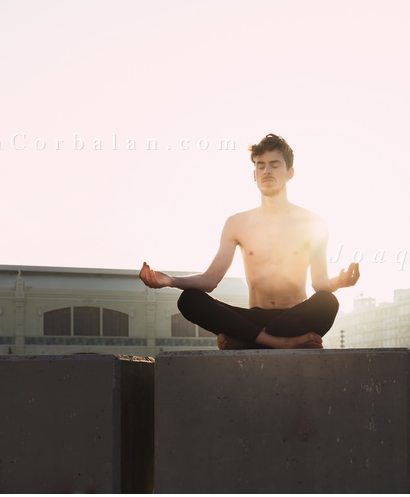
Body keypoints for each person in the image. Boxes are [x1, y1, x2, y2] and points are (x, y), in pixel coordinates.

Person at [139, 133, 360, 350]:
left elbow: (319, 282)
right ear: (254, 174)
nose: (266, 171)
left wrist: (337, 283)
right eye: (260, 165)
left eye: (274, 165)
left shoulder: (313, 223)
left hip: (295, 317)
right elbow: (209, 280)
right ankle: (276, 342)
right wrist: (170, 280)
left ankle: (246, 341)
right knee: (188, 300)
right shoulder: (237, 223)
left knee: (328, 302)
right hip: (252, 318)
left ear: (290, 173)